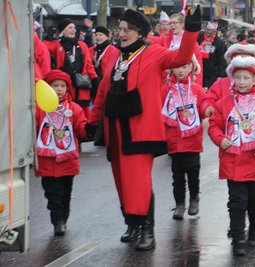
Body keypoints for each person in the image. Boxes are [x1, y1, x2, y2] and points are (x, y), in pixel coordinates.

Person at [86, 8, 202, 250]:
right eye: (120, 29)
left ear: (140, 32)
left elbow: (182, 57)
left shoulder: (155, 53)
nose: (121, 34)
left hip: (140, 130)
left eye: (126, 30)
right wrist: (91, 121)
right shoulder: (114, 57)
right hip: (116, 130)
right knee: (121, 181)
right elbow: (103, 93)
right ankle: (132, 224)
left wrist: (191, 29)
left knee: (137, 181)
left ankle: (148, 229)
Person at [208, 56, 255, 256]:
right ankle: (238, 238)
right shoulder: (224, 102)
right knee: (236, 201)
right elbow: (214, 125)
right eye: (238, 77)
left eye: (246, 78)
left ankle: (254, 231)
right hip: (232, 161)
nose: (241, 82)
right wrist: (219, 139)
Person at [35, 70, 87, 236]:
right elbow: (34, 128)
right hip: (47, 160)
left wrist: (89, 129)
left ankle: (63, 219)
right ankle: (57, 221)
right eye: (55, 85)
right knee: (53, 194)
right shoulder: (40, 108)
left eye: (62, 86)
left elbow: (81, 127)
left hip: (67, 161)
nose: (59, 89)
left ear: (67, 88)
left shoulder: (73, 108)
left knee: (65, 193)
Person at [161, 53, 208, 220]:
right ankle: (180, 204)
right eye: (177, 66)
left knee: (193, 170)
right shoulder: (166, 88)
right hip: (173, 138)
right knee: (177, 175)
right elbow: (159, 106)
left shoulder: (196, 88)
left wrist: (207, 110)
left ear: (191, 67)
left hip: (192, 138)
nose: (180, 70)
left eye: (184, 67)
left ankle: (194, 198)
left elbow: (203, 104)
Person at [45, 18, 98, 119]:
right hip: (64, 86)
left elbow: (88, 64)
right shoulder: (57, 44)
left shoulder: (82, 45)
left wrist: (94, 79)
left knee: (83, 114)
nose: (73, 30)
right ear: (63, 31)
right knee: (65, 112)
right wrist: (48, 37)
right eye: (70, 27)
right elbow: (44, 48)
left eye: (74, 27)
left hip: (81, 85)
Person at [197, 21, 228, 89]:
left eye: (211, 32)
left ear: (215, 32)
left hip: (213, 72)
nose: (208, 34)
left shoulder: (219, 43)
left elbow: (222, 60)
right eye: (207, 31)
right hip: (199, 68)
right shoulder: (199, 37)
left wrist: (221, 75)